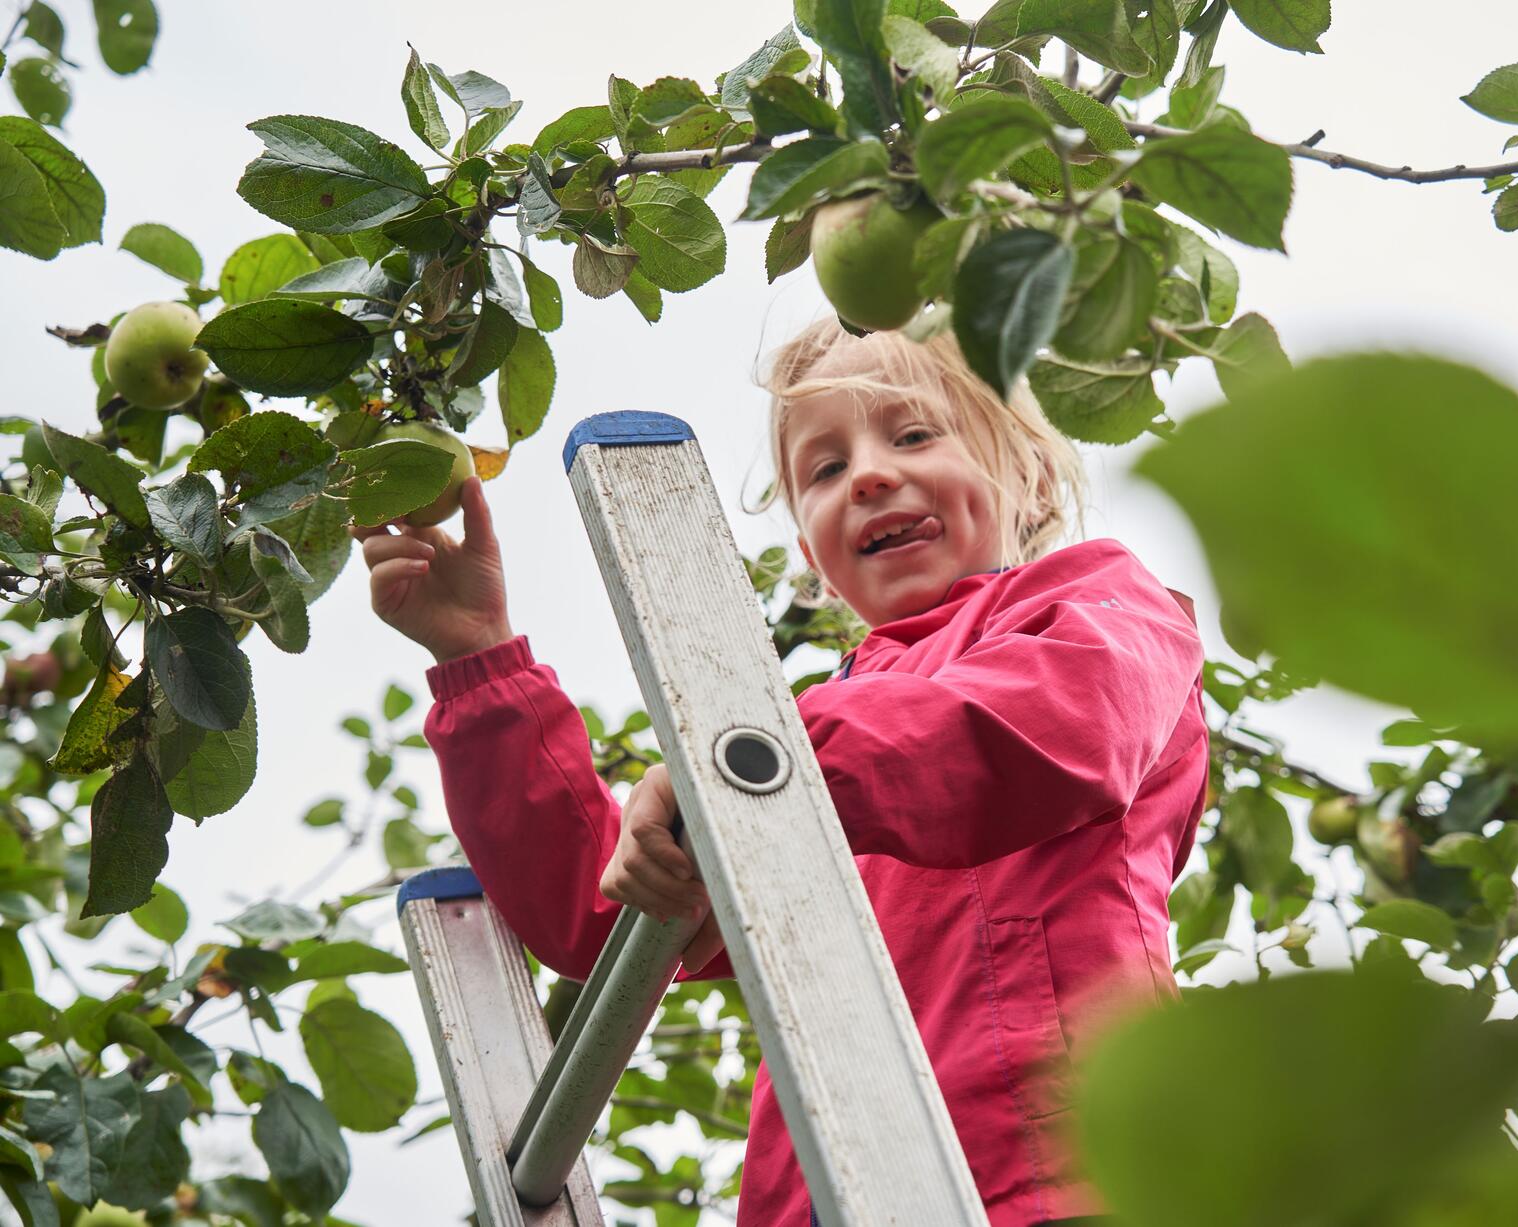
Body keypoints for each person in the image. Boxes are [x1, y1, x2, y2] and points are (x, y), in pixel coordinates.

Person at [350, 314, 1210, 1227]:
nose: (872, 474)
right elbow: (609, 915)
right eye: (826, 470)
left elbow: (1060, 723)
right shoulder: (786, 736)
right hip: (826, 1197)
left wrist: (748, 768)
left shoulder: (1099, 602)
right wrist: (481, 658)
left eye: (914, 433)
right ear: (812, 555)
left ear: (1030, 477)